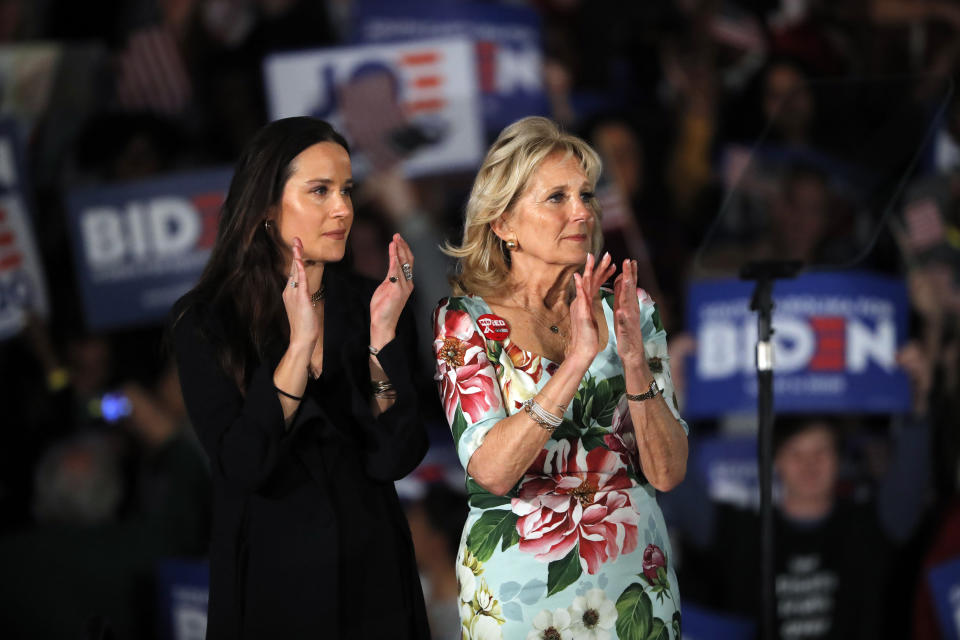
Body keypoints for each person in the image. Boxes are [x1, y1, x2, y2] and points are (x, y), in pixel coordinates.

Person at [170, 117, 430, 638]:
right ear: (267, 207)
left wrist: (381, 340)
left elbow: (396, 455)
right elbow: (242, 464)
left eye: (347, 191)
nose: (342, 209)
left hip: (376, 588)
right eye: (320, 191)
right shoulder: (207, 320)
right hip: (274, 593)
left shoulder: (367, 304)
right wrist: (298, 348)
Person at [433, 116, 689, 640]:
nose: (581, 211)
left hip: (633, 581)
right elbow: (493, 471)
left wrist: (634, 362)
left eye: (586, 195)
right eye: (557, 198)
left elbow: (667, 473)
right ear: (503, 224)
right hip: (519, 595)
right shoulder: (465, 321)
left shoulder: (632, 312)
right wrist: (576, 363)